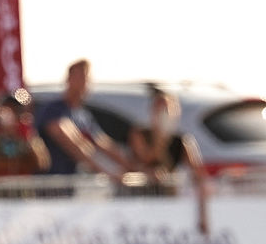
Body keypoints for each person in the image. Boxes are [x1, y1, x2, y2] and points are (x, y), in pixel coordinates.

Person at [126, 86, 210, 233]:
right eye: (159, 110)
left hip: (168, 201)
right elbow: (145, 159)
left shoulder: (182, 141)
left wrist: (202, 214)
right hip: (140, 202)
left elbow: (199, 174)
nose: (163, 114)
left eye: (167, 110)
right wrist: (161, 137)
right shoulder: (140, 134)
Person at [37, 59, 132, 182]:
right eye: (79, 77)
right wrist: (105, 172)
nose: (83, 83)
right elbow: (73, 144)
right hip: (53, 184)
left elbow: (102, 143)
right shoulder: (54, 110)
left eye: (86, 78)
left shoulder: (83, 115)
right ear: (68, 79)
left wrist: (134, 168)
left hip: (75, 186)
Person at [0, 89, 50, 180]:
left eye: (15, 111)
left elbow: (43, 163)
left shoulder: (27, 136)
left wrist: (27, 134)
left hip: (20, 190)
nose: (9, 116)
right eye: (5, 110)